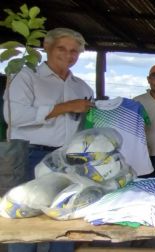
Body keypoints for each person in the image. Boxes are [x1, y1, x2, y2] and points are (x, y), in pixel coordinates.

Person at [3, 27, 93, 252]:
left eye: (74, 51)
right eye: (62, 48)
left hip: (67, 159)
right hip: (29, 155)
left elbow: (85, 128)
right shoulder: (25, 76)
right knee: (24, 220)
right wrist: (66, 107)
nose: (68, 55)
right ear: (47, 47)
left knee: (66, 215)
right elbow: (16, 117)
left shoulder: (82, 87)